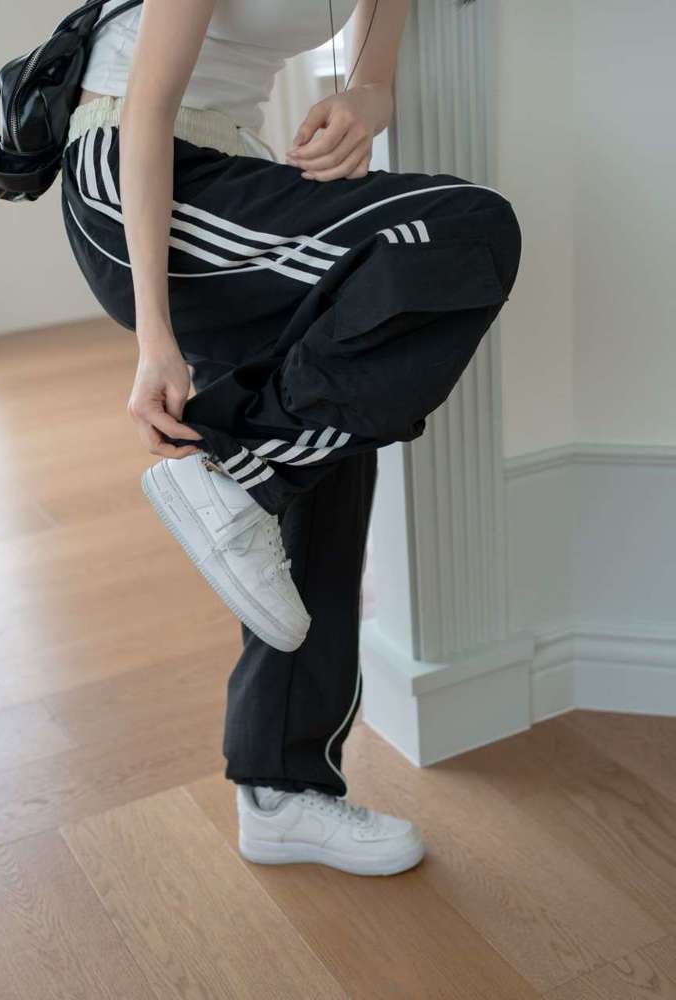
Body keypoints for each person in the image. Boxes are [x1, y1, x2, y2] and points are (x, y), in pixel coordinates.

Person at [60, 0, 521, 877]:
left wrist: (362, 105)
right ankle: (243, 478)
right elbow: (145, 111)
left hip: (236, 164)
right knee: (464, 224)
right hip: (133, 175)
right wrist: (154, 338)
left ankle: (283, 790)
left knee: (328, 427)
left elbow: (374, 77)